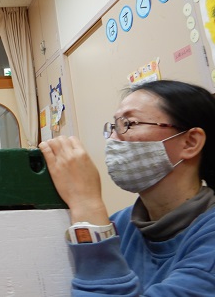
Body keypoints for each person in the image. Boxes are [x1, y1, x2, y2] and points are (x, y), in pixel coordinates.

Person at [39, 79, 215, 295]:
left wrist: (86, 204)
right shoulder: (122, 223)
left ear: (190, 142)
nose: (113, 139)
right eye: (114, 126)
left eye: (129, 123)